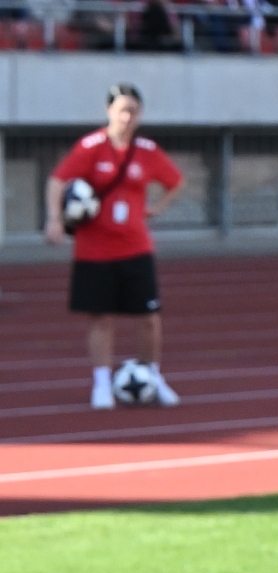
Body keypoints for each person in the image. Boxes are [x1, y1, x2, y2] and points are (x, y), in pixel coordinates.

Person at [43, 83, 183, 411]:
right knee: (100, 318)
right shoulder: (90, 147)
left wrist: (157, 208)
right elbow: (57, 180)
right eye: (122, 110)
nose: (127, 117)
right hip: (94, 249)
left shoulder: (147, 150)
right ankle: (102, 382)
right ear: (109, 111)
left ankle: (152, 376)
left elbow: (175, 181)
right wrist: (54, 219)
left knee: (148, 318)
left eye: (133, 111)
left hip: (136, 247)